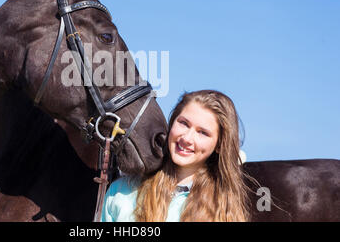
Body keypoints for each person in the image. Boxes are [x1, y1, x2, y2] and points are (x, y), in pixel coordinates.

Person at [102, 89, 253, 222]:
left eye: (202, 133)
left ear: (219, 145)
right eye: (184, 123)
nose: (186, 138)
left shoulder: (223, 211)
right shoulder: (120, 192)